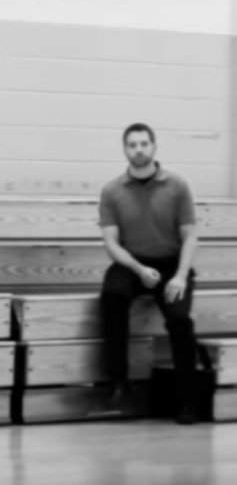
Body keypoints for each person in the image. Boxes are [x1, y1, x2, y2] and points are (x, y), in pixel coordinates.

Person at [98, 122, 199, 425]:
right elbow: (111, 244)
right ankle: (119, 383)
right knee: (112, 297)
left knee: (180, 320)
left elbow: (191, 236)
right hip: (131, 263)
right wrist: (139, 269)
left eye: (144, 144)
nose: (138, 150)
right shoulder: (112, 190)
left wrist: (180, 276)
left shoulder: (178, 185)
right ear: (125, 149)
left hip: (171, 264)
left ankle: (187, 400)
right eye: (132, 145)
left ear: (154, 147)